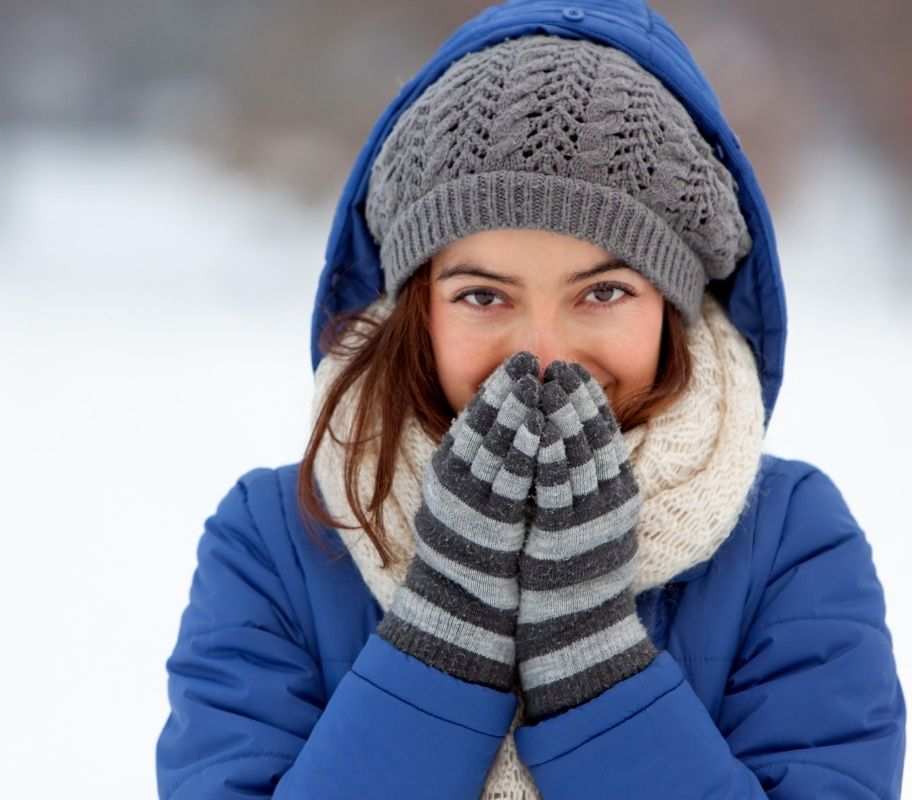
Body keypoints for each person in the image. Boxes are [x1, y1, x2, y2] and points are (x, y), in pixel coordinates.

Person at [155, 1, 906, 797]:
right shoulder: (280, 541)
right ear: (418, 309)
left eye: (604, 292)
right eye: (484, 297)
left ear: (675, 307)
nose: (543, 355)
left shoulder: (790, 542)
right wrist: (440, 640)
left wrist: (597, 673)